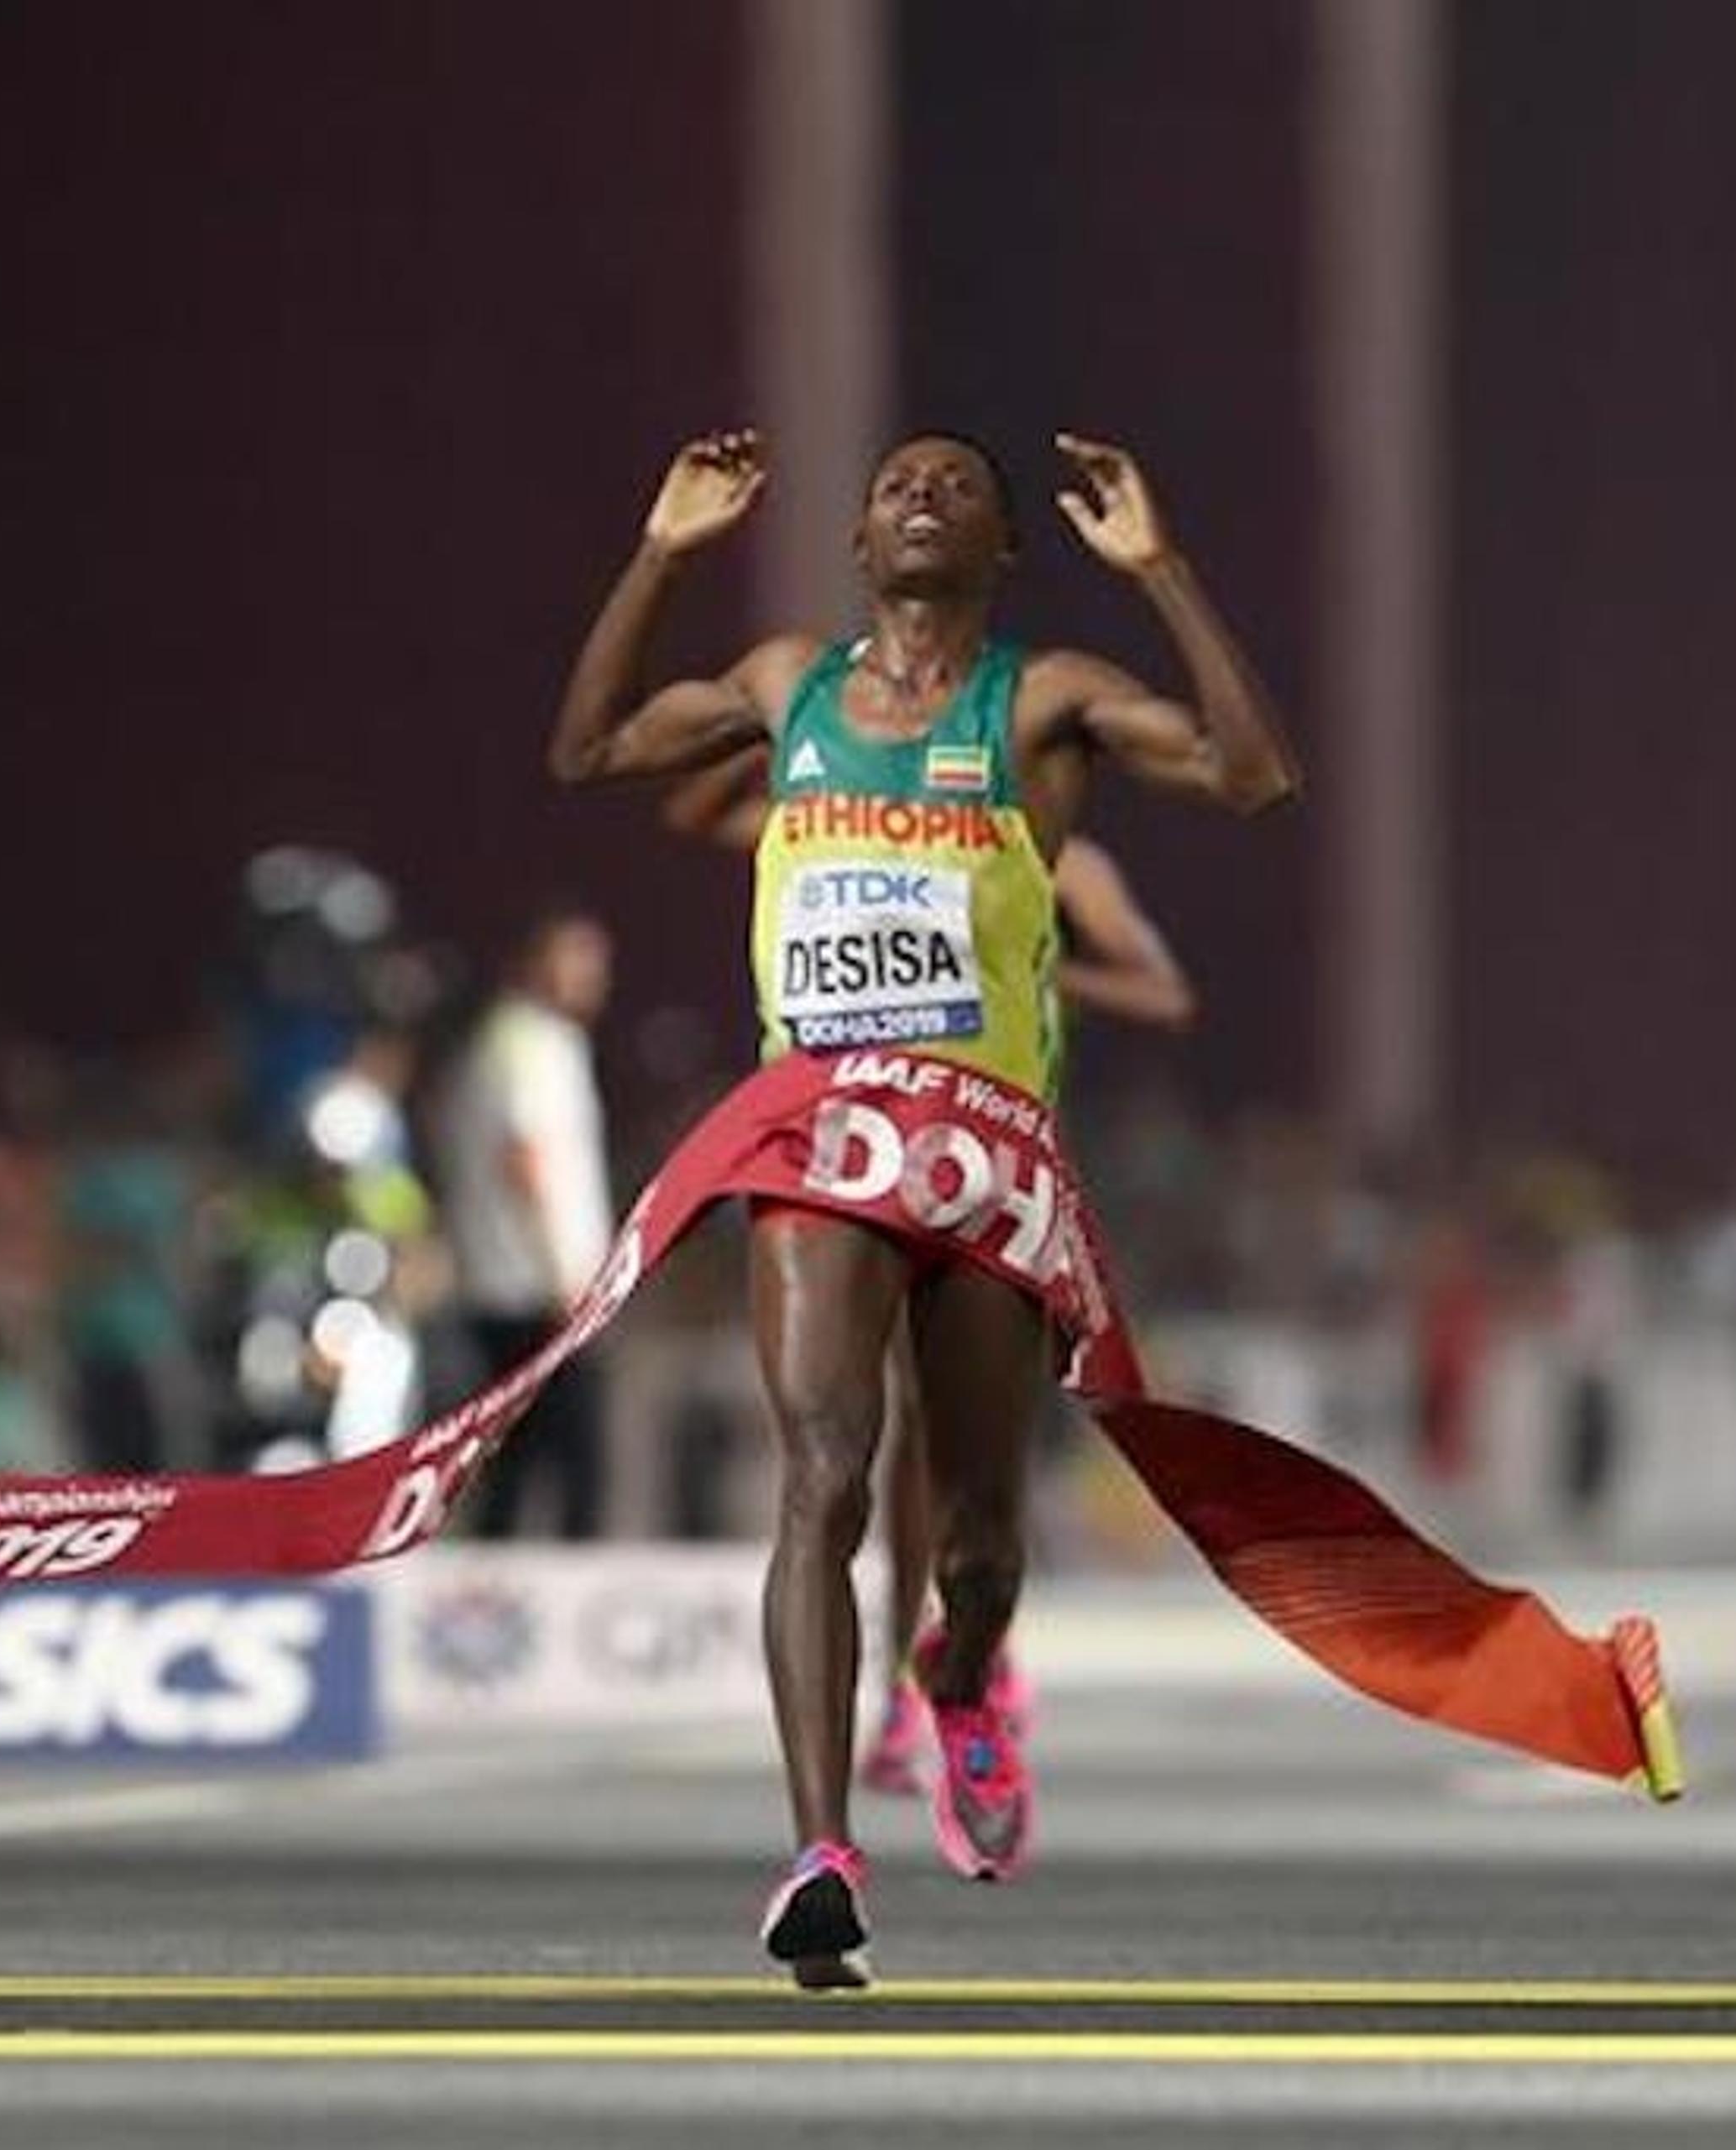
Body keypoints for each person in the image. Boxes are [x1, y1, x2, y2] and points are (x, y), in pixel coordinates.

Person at [549, 426, 1296, 1985]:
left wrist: (1162, 571)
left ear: (1004, 548)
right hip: (820, 1141)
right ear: (855, 544)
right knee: (825, 1466)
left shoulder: (1044, 702)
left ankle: (962, 1681)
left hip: (984, 1159)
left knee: (978, 1535)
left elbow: (1252, 771)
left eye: (955, 485)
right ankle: (821, 1849)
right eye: (894, 482)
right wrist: (662, 548)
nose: (918, 495)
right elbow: (592, 750)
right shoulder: (783, 688)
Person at [657, 761, 1195, 1792]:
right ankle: (913, 1683)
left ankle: (963, 1653)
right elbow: (689, 803)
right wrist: (785, 730)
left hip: (996, 1172)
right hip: (869, 1165)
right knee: (887, 1434)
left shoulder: (1064, 861)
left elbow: (1164, 991)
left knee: (967, 1454)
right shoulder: (859, 828)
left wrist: (1032, 963)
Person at [436, 910, 619, 1536]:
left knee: (514, 1463)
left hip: (503, 1284)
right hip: (536, 1291)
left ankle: (500, 1600)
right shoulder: (534, 1043)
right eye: (577, 959)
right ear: (537, 964)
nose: (593, 976)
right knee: (580, 1463)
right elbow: (526, 1158)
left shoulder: (497, 1041)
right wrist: (567, 1275)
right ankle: (576, 1612)